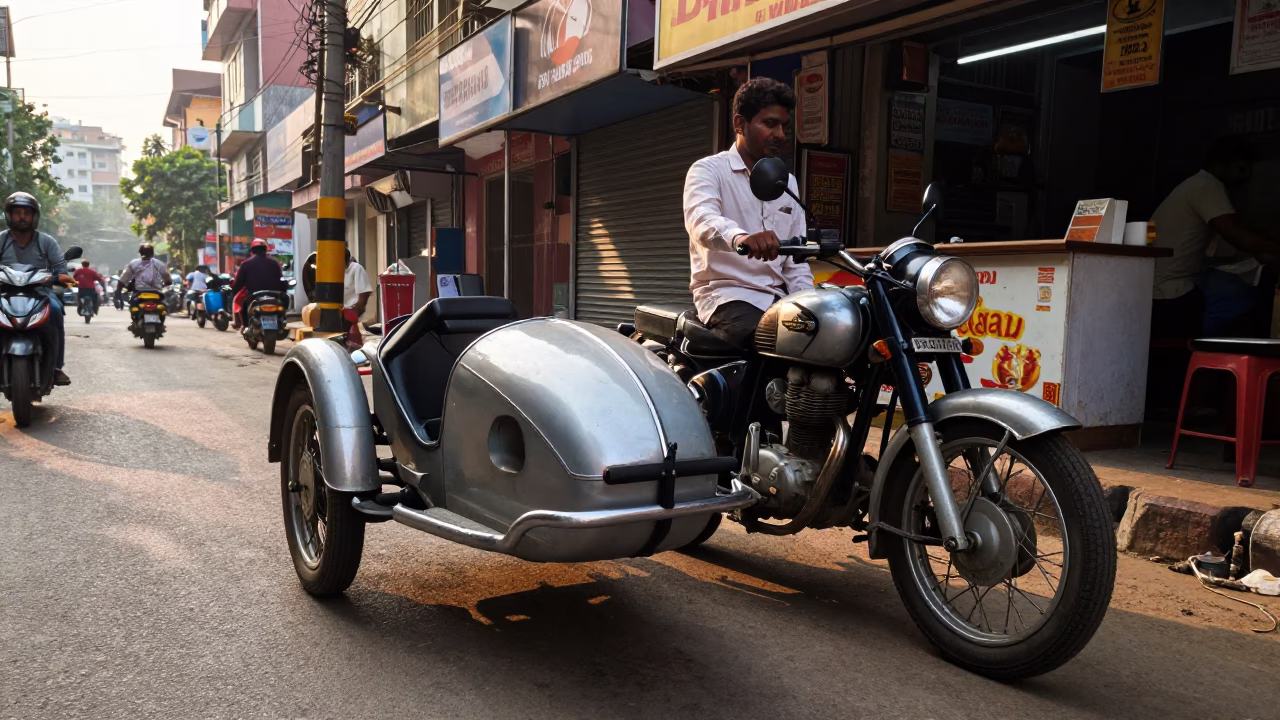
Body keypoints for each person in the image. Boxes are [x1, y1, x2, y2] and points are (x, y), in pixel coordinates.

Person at [683, 77, 812, 350]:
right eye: (770, 124)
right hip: (727, 295)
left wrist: (812, 307)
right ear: (740, 124)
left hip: (778, 300)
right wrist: (741, 238)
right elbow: (702, 221)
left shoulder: (787, 182)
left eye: (783, 126)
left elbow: (796, 262)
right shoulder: (707, 170)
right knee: (770, 345)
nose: (780, 134)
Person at [1151, 136, 1280, 338]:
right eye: (1241, 169)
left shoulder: (1194, 185)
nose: (1245, 177)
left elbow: (1228, 245)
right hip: (1172, 290)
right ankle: (1204, 346)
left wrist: (1263, 249)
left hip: (1162, 283)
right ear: (1220, 165)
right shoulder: (1207, 186)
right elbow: (1234, 233)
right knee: (1241, 298)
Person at [0, 192, 73, 385]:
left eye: (26, 212)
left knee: (56, 312)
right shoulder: (1, 240)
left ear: (34, 216)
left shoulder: (46, 241)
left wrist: (61, 276)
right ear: (9, 215)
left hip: (40, 291)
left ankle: (56, 367)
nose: (22, 217)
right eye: (17, 212)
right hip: (5, 292)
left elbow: (59, 267)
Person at [230, 239, 283, 328]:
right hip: (273, 295)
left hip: (253, 296)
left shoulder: (246, 264)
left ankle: (246, 327)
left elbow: (239, 282)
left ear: (252, 251)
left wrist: (233, 291)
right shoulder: (274, 263)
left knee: (244, 308)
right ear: (266, 249)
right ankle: (282, 322)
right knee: (283, 303)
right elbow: (281, 280)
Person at [344, 249, 373, 329]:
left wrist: (355, 312)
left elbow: (364, 295)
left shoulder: (356, 269)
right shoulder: (338, 271)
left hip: (353, 312)